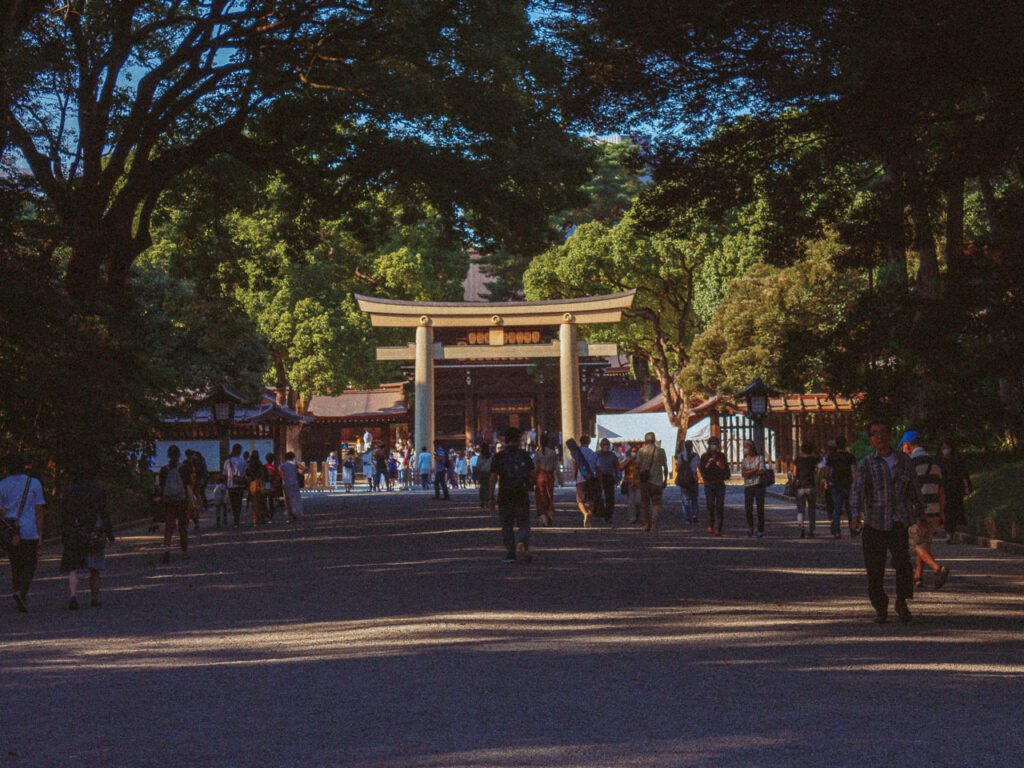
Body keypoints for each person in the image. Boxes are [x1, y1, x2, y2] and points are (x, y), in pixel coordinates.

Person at [851, 420, 926, 623]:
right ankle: (880, 607)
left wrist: (921, 514)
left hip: (898, 522)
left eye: (884, 432)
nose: (880, 437)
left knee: (903, 565)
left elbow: (915, 490)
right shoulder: (867, 463)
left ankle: (902, 602)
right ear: (871, 439)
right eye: (875, 434)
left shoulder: (904, 461)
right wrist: (855, 516)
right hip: (874, 523)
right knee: (875, 570)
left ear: (891, 435)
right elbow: (858, 491)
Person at [60, 457, 114, 610]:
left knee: (73, 567)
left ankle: (73, 595)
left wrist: (64, 532)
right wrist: (110, 534)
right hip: (93, 531)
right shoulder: (97, 489)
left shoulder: (68, 491)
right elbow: (104, 513)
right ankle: (95, 597)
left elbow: (64, 514)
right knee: (95, 567)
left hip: (73, 531)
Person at [900, 431, 951, 589]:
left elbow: (905, 489)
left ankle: (938, 569)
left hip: (917, 510)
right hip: (934, 509)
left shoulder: (909, 463)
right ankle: (918, 577)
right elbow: (941, 490)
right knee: (924, 545)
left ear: (908, 445)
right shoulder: (935, 463)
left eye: (903, 446)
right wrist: (942, 512)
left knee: (914, 544)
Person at [1, 453, 47, 613]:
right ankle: (22, 592)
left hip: (11, 530)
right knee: (30, 563)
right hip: (29, 529)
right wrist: (41, 532)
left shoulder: (2, 485)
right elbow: (39, 509)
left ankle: (16, 589)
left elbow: (1, 511)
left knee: (15, 563)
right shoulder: (34, 483)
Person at [489, 427, 535, 563]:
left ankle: (510, 552)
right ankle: (522, 542)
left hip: (505, 493)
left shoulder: (499, 456)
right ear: (519, 440)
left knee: (507, 524)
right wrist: (529, 483)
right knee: (524, 522)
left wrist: (490, 497)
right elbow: (532, 475)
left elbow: (493, 478)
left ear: (504, 440)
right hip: (521, 492)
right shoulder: (525, 455)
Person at [158, 445, 192, 563]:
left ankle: (166, 551)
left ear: (168, 455)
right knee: (182, 526)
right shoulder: (184, 468)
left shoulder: (164, 470)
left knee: (169, 527)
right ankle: (184, 552)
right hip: (181, 500)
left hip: (168, 501)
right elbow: (188, 487)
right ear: (179, 455)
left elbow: (161, 487)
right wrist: (192, 501)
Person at [635, 432, 669, 532]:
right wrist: (665, 479)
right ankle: (654, 525)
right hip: (657, 481)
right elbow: (665, 466)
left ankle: (646, 524)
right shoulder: (661, 451)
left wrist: (636, 479)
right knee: (656, 504)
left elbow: (637, 466)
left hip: (644, 482)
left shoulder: (641, 451)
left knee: (645, 504)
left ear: (645, 440)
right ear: (654, 440)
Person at [939, 440, 972, 541]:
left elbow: (964, 475)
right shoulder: (940, 462)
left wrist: (967, 487)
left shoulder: (957, 460)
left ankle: (957, 532)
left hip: (957, 488)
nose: (946, 451)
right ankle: (950, 534)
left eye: (947, 448)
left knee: (957, 510)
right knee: (948, 511)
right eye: (943, 448)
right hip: (945, 490)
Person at [826, 435, 857, 538]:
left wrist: (826, 481)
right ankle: (852, 529)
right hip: (848, 484)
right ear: (845, 444)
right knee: (850, 509)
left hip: (836, 484)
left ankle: (836, 531)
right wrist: (855, 483)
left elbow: (828, 470)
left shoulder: (831, 456)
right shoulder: (850, 456)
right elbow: (853, 471)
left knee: (837, 508)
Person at [699, 438, 730, 536]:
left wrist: (720, 465)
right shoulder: (704, 456)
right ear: (708, 445)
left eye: (715, 444)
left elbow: (727, 473)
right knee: (710, 505)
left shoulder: (721, 456)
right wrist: (708, 463)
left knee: (720, 505)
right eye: (712, 444)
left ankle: (719, 528)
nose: (714, 446)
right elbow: (702, 471)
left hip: (720, 484)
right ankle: (710, 524)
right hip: (709, 484)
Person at [740, 440, 766, 538]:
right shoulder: (744, 460)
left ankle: (760, 529)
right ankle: (750, 527)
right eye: (744, 447)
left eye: (747, 446)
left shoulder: (760, 458)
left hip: (758, 485)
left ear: (752, 447)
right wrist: (755, 470)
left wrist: (749, 472)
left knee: (760, 508)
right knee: (748, 508)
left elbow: (762, 471)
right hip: (748, 486)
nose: (745, 449)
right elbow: (743, 474)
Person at [794, 444, 819, 538]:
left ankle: (801, 528)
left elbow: (795, 472)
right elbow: (819, 459)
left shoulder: (798, 460)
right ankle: (811, 531)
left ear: (802, 450)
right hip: (811, 487)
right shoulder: (813, 460)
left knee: (801, 510)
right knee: (811, 510)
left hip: (800, 487)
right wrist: (815, 451)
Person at [533, 433, 559, 526]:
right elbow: (556, 466)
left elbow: (535, 467)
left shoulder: (538, 453)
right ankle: (549, 515)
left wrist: (533, 478)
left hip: (540, 476)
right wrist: (560, 479)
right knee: (549, 496)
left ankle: (543, 516)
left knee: (540, 497)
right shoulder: (553, 453)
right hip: (550, 476)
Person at [574, 435, 599, 527]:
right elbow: (598, 467)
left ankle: (585, 513)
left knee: (579, 500)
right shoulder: (593, 453)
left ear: (580, 442)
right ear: (589, 442)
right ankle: (590, 514)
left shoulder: (577, 453)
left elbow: (575, 465)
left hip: (580, 478)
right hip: (591, 478)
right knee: (591, 499)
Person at [675, 440, 700, 524]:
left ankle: (686, 518)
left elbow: (677, 469)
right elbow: (699, 466)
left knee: (685, 499)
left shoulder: (681, 456)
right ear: (692, 446)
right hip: (693, 479)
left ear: (685, 446)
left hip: (684, 480)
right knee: (694, 498)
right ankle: (695, 515)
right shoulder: (696, 456)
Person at [594, 437, 618, 522]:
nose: (606, 446)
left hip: (609, 477)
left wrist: (617, 478)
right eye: (604, 445)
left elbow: (616, 467)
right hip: (599, 477)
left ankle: (608, 515)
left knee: (610, 497)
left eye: (607, 445)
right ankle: (600, 513)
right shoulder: (596, 454)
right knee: (598, 496)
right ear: (601, 445)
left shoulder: (612, 455)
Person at [222, 444, 247, 526]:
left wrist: (225, 485)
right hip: (240, 485)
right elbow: (245, 473)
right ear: (240, 451)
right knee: (239, 502)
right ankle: (237, 518)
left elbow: (224, 474)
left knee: (233, 502)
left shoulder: (227, 461)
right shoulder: (243, 461)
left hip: (230, 485)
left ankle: (235, 518)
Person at [618, 444, 642, 524]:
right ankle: (632, 517)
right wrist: (628, 460)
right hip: (629, 483)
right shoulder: (627, 461)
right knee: (631, 502)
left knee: (638, 501)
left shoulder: (640, 461)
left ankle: (637, 515)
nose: (634, 453)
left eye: (635, 451)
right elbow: (620, 468)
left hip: (638, 483)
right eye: (633, 451)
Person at [280, 451, 303, 522]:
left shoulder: (282, 465)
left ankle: (289, 515)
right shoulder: (295, 464)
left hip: (286, 484)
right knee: (295, 499)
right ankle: (295, 513)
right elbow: (303, 468)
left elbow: (281, 475)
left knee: (287, 501)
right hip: (294, 483)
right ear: (293, 457)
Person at [475, 442, 494, 509]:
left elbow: (478, 465)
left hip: (482, 473)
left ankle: (482, 501)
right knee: (489, 487)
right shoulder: (491, 456)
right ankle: (488, 501)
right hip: (489, 473)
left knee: (482, 488)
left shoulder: (480, 456)